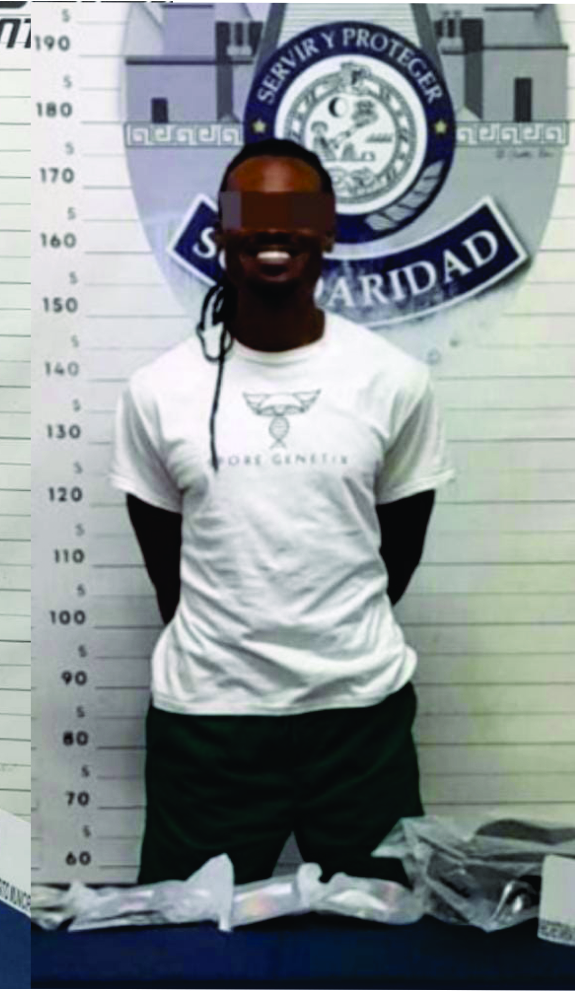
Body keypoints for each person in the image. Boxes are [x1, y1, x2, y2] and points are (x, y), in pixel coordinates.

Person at [111, 139, 454, 884]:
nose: (273, 227)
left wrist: (325, 640)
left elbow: (394, 556)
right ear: (219, 232)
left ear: (327, 228)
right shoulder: (158, 391)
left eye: (294, 210)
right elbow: (169, 573)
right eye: (250, 211)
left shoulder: (394, 381)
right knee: (180, 942)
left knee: (383, 939)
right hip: (209, 730)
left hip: (360, 724)